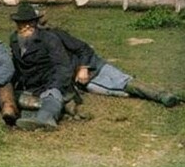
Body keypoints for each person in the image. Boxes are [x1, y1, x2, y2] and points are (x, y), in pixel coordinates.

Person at [48, 26, 181, 108]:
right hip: (86, 82)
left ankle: (166, 95)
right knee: (122, 91)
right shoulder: (33, 49)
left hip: (95, 65)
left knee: (125, 81)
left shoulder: (56, 34)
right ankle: (168, 94)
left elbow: (84, 49)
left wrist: (83, 68)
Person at [8, 2, 75, 131]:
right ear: (17, 24)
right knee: (7, 95)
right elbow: (16, 66)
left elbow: (63, 67)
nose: (27, 26)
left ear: (36, 23)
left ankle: (45, 119)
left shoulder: (49, 39)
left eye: (30, 22)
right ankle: (57, 106)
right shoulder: (14, 40)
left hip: (50, 83)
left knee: (51, 96)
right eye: (22, 23)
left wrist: (55, 86)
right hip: (30, 87)